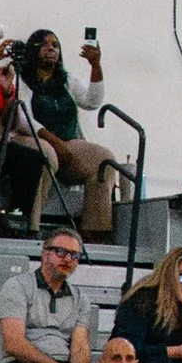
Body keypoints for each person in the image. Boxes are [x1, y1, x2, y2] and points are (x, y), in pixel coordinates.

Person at [11, 30, 125, 238]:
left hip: (66, 143)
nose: (51, 48)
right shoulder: (22, 79)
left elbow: (92, 101)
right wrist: (55, 142)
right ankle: (33, 225)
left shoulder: (66, 80)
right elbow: (23, 119)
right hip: (32, 139)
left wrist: (95, 66)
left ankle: (94, 231)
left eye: (55, 45)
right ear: (32, 50)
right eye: (44, 45)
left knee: (104, 161)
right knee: (49, 155)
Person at [0, 224, 97, 363]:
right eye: (61, 252)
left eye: (74, 255)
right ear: (45, 254)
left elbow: (79, 343)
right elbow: (13, 343)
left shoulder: (81, 299)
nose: (67, 259)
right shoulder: (17, 286)